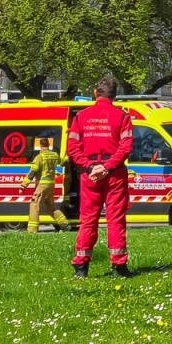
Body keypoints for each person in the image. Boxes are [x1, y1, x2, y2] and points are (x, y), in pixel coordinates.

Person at [67, 75, 135, 278]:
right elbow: (126, 147)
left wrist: (90, 167)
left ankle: (81, 267)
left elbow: (73, 148)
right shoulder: (122, 117)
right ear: (114, 96)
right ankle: (119, 266)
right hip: (114, 175)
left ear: (95, 93)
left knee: (88, 220)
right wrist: (107, 167)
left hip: (89, 175)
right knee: (115, 220)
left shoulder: (81, 117)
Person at [25, 137, 70, 234]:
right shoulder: (55, 155)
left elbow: (33, 171)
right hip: (51, 184)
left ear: (40, 145)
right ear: (49, 145)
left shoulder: (39, 157)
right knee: (50, 207)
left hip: (42, 184)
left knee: (34, 205)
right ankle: (65, 224)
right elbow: (63, 162)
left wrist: (24, 184)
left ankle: (32, 230)